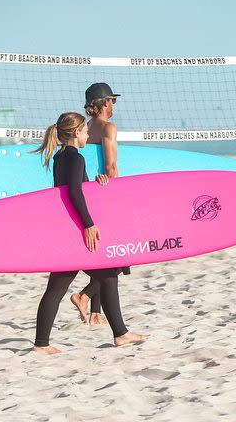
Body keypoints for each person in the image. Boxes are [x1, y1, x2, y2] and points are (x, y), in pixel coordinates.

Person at [32, 112, 148, 354]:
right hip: (77, 230)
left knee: (62, 286)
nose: (87, 134)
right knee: (106, 275)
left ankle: (42, 343)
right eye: (85, 131)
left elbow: (71, 190)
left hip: (66, 227)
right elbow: (74, 193)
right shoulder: (76, 159)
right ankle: (120, 334)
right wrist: (88, 225)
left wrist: (97, 184)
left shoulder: (60, 157)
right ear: (76, 133)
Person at [70, 83, 124, 325]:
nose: (113, 105)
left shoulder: (86, 128)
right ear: (104, 103)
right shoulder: (108, 128)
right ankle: (84, 295)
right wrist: (118, 194)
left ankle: (95, 312)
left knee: (102, 254)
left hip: (88, 192)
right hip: (105, 192)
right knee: (117, 257)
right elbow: (110, 167)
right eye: (112, 100)